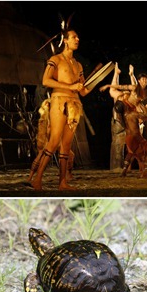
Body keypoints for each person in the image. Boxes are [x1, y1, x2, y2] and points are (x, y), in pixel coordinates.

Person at [28, 27, 94, 190]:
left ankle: (62, 182)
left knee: (66, 145)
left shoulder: (78, 65)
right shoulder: (56, 59)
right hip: (59, 100)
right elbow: (46, 81)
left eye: (78, 37)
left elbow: (84, 91)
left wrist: (97, 81)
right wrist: (70, 86)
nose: (77, 40)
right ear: (65, 40)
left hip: (75, 105)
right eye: (74, 37)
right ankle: (37, 179)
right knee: (54, 141)